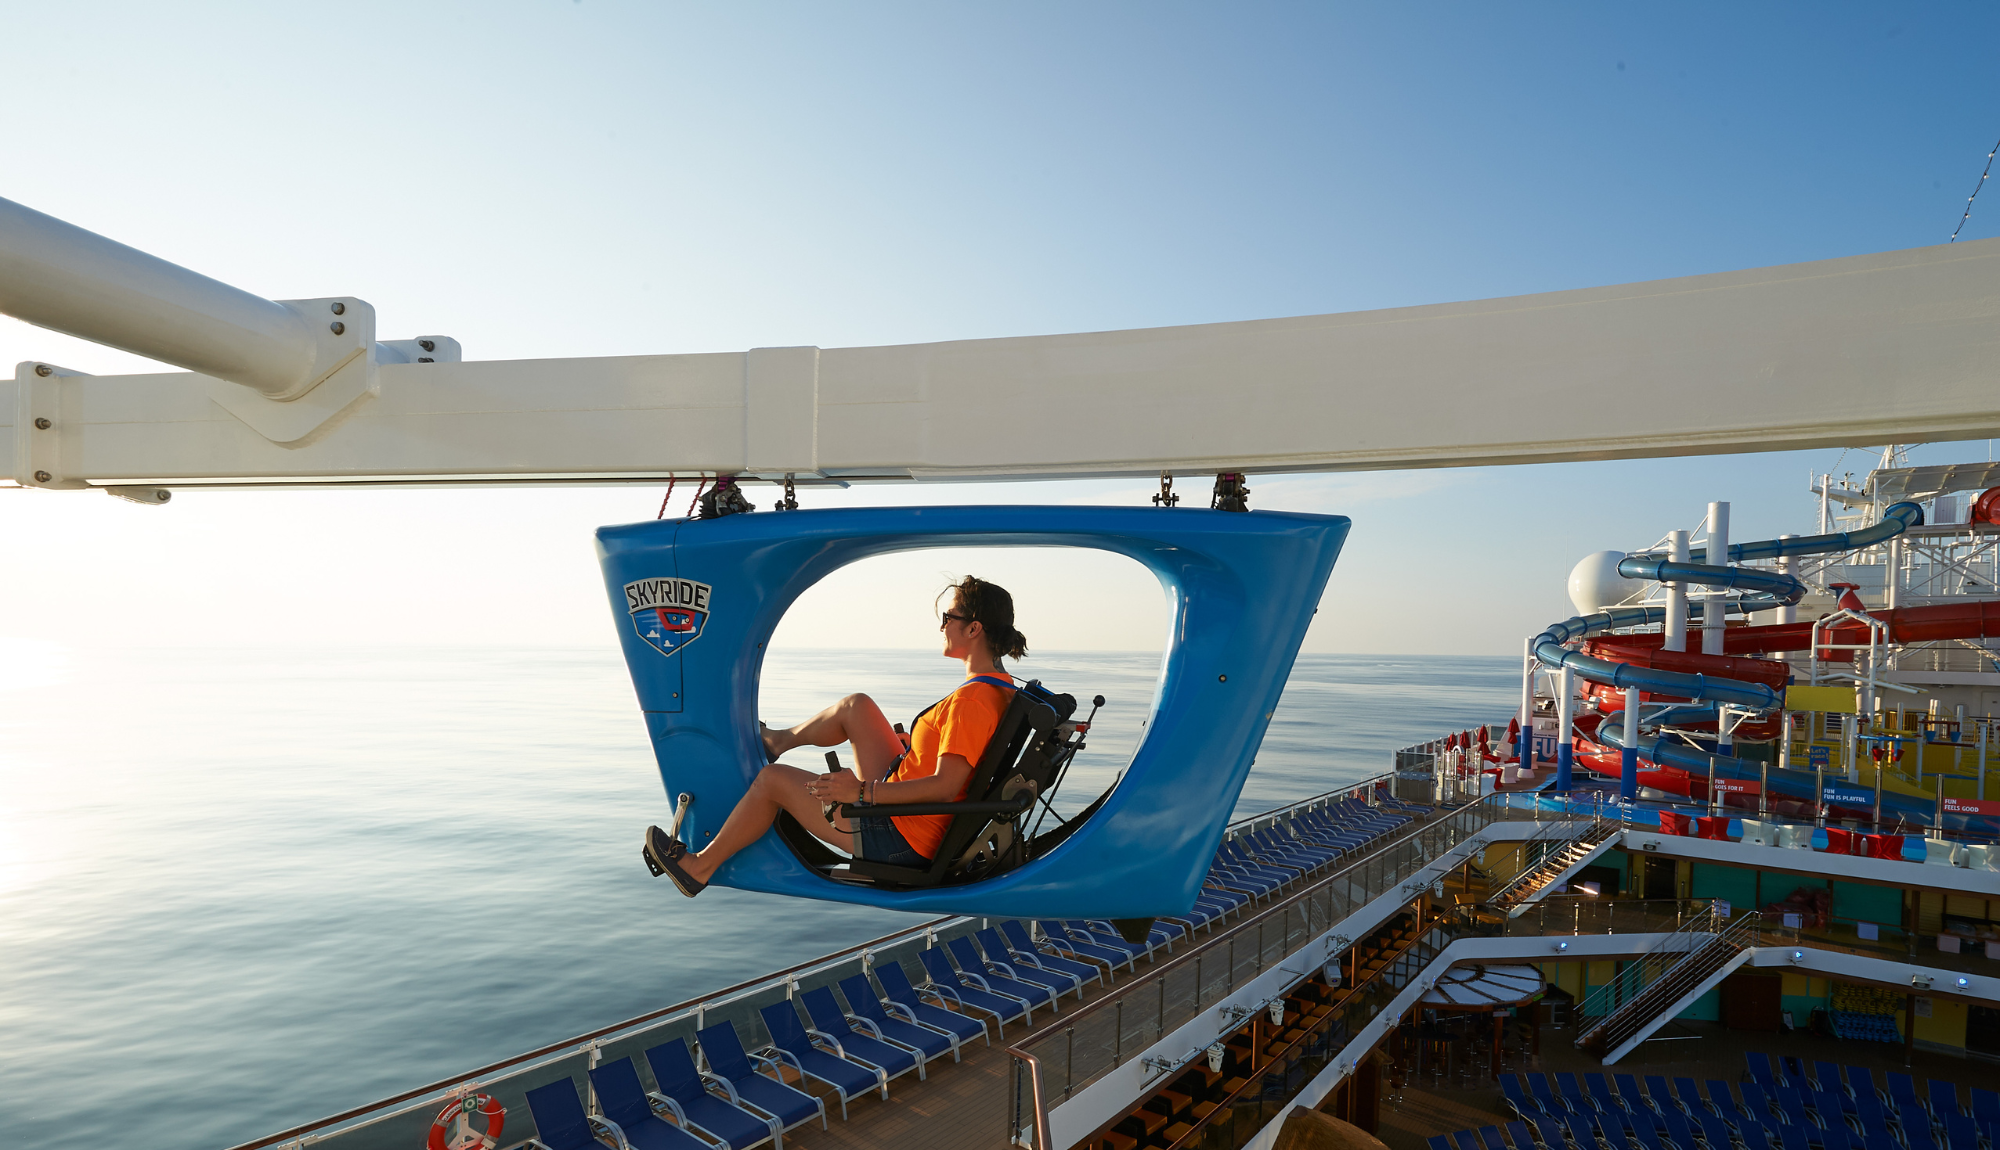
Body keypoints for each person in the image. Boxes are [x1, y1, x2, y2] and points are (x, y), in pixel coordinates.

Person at [643, 575, 1030, 897]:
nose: (943, 625)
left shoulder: (971, 702)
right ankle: (776, 741)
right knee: (856, 708)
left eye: (949, 616)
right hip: (910, 809)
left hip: (901, 838)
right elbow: (958, 762)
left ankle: (698, 867)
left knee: (773, 781)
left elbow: (947, 786)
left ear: (974, 628)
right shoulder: (997, 687)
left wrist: (861, 793)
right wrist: (915, 748)